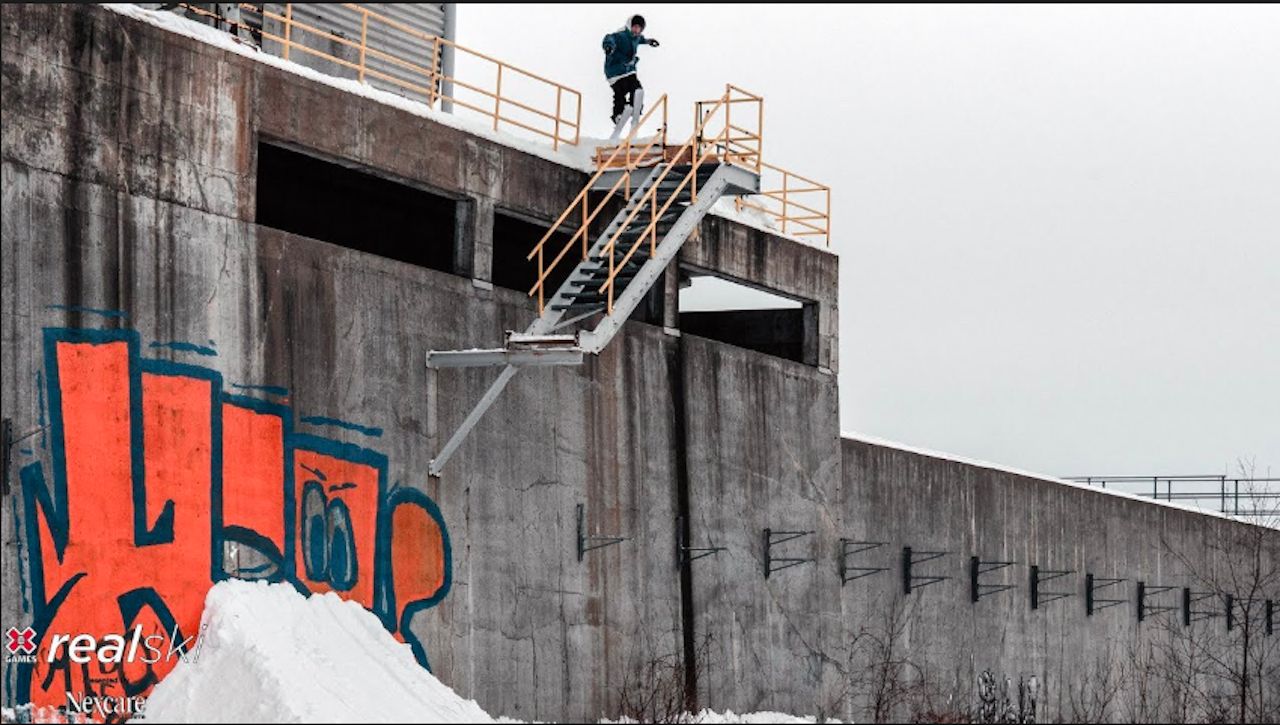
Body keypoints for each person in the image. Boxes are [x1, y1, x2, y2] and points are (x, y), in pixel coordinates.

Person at [602, 14, 659, 140]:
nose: (636, 30)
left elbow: (641, 40)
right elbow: (609, 38)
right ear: (629, 26)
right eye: (634, 27)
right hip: (615, 71)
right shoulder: (620, 35)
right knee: (620, 91)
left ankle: (635, 111)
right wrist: (608, 47)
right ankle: (618, 114)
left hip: (629, 70)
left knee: (637, 89)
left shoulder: (636, 38)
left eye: (639, 28)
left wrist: (649, 41)